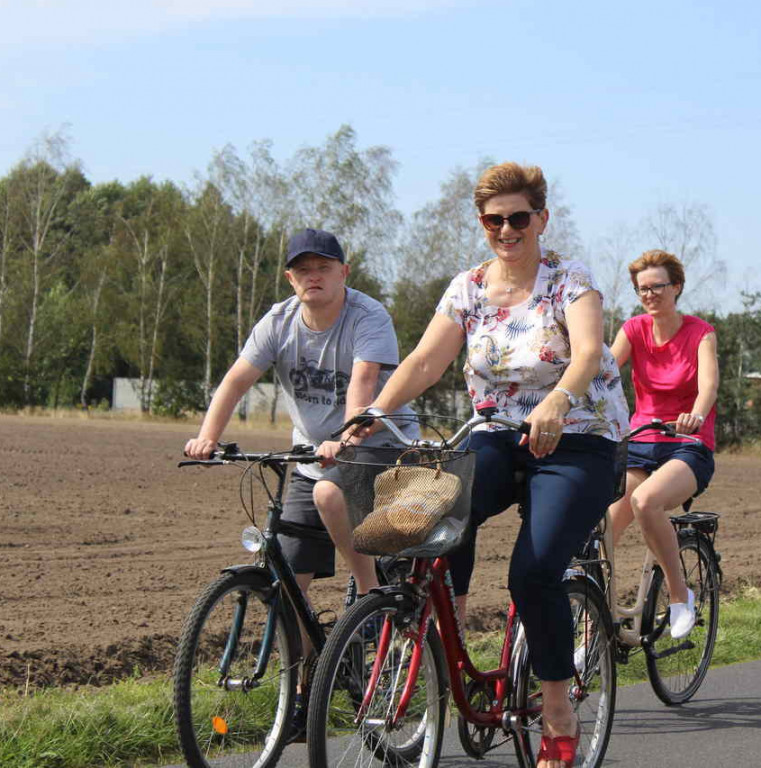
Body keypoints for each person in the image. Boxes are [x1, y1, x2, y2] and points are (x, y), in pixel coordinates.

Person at [326, 162, 629, 768]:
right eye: (495, 220)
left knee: (534, 573)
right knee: (428, 508)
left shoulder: (570, 278)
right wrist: (371, 411)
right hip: (499, 434)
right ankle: (444, 630)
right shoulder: (467, 288)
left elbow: (590, 352)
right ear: (483, 225)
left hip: (578, 438)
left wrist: (557, 400)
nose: (507, 229)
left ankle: (559, 712)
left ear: (541, 219)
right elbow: (423, 361)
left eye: (519, 217)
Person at [183, 227, 416, 734]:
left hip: (377, 445)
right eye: (303, 269)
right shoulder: (279, 320)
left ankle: (369, 595)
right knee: (289, 588)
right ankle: (300, 699)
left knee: (333, 494)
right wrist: (207, 437)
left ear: (342, 273)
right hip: (312, 455)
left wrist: (348, 436)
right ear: (291, 277)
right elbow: (237, 379)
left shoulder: (367, 315)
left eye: (323, 267)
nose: (313, 276)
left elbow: (363, 387)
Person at [607, 249, 719, 639]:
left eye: (657, 286)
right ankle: (595, 626)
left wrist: (697, 414)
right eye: (642, 289)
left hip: (687, 443)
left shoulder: (700, 333)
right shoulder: (634, 329)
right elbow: (603, 373)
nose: (650, 294)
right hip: (640, 442)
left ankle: (677, 594)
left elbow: (708, 386)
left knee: (646, 502)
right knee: (599, 529)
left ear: (677, 288)